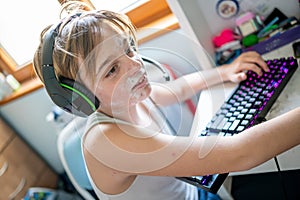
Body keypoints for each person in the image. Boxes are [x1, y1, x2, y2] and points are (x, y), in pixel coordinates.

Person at [33, 2, 300, 200]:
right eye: (111, 69)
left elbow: (178, 89)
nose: (134, 65)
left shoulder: (133, 98)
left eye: (128, 49)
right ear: (80, 99)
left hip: (195, 194)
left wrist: (224, 72)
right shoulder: (104, 140)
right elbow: (241, 153)